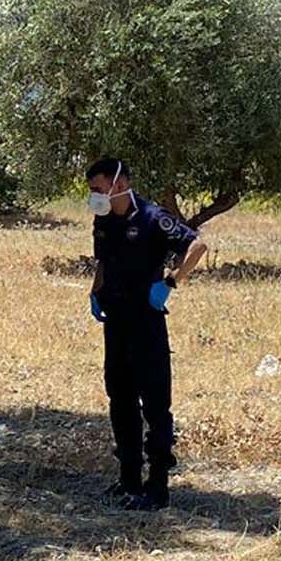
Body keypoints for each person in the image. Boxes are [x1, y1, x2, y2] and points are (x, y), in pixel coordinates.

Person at [85, 157, 208, 509]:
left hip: (147, 320)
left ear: (119, 184)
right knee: (119, 398)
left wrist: (170, 282)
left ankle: (157, 485)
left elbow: (197, 246)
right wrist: (95, 292)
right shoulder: (104, 219)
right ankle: (128, 479)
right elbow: (103, 261)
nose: (94, 196)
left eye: (98, 189)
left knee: (155, 403)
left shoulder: (153, 218)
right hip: (116, 320)